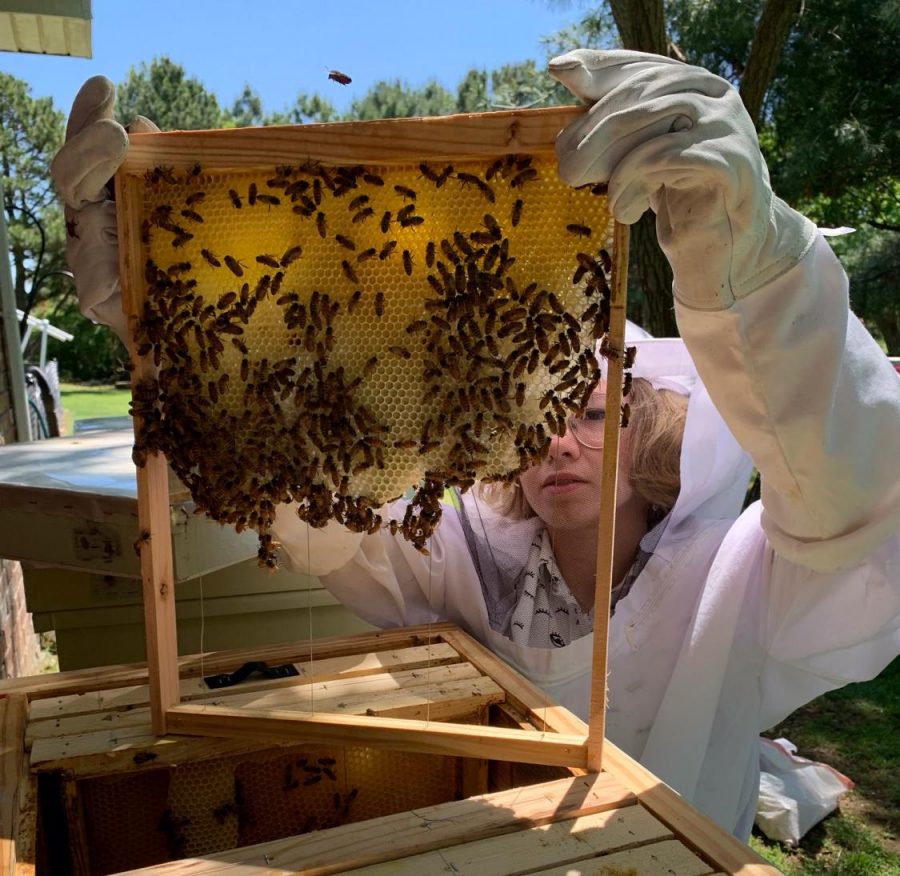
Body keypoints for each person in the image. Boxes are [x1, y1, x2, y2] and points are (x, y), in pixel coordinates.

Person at [51, 49, 900, 841]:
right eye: (535, 421)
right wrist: (179, 327)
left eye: (598, 415)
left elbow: (853, 505)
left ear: (656, 431)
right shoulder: (457, 561)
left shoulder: (745, 578)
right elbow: (314, 498)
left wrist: (756, 264)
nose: (558, 443)